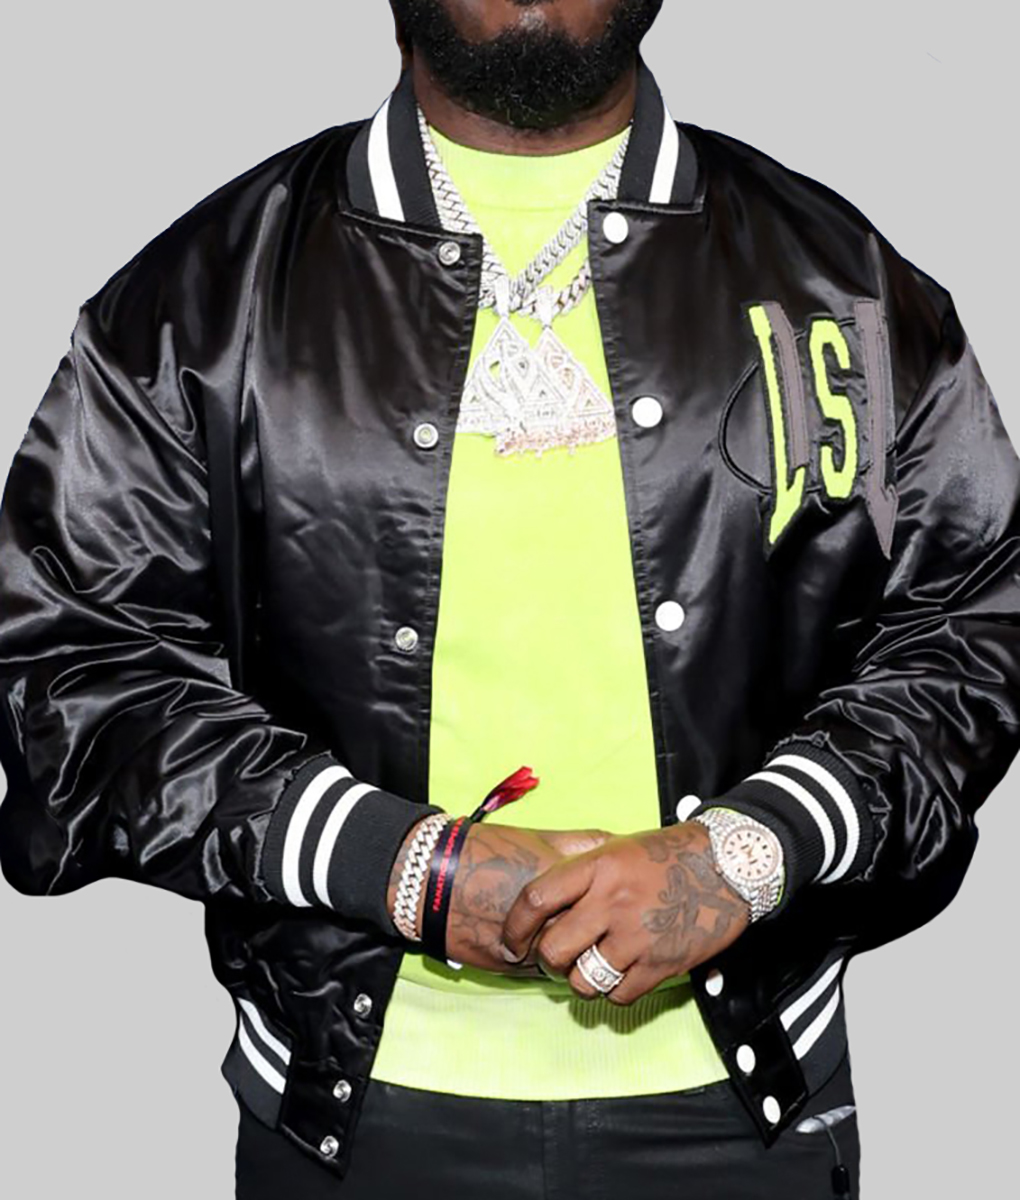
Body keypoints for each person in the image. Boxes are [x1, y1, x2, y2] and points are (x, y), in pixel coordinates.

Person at [0, 1, 1017, 1196]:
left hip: (747, 1100)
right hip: (354, 1105)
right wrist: (400, 866)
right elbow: (69, 663)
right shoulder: (201, 301)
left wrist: (747, 851)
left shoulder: (838, 280)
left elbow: (976, 617)